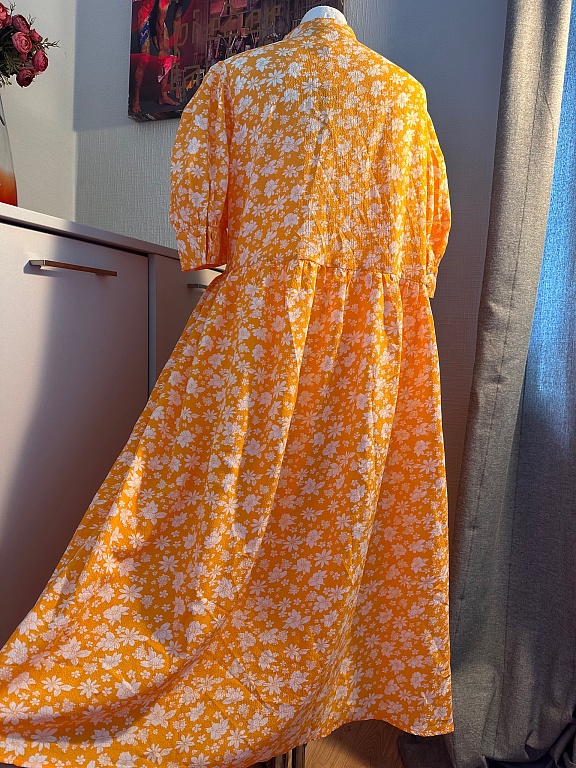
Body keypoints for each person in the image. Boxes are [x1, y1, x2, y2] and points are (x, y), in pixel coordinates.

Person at [0, 4, 453, 767]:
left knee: (206, 515)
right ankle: (323, 699)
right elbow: (428, 241)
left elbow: (202, 229)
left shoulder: (238, 82)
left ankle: (209, 689)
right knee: (357, 527)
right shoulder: (404, 96)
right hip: (378, 362)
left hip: (256, 345)